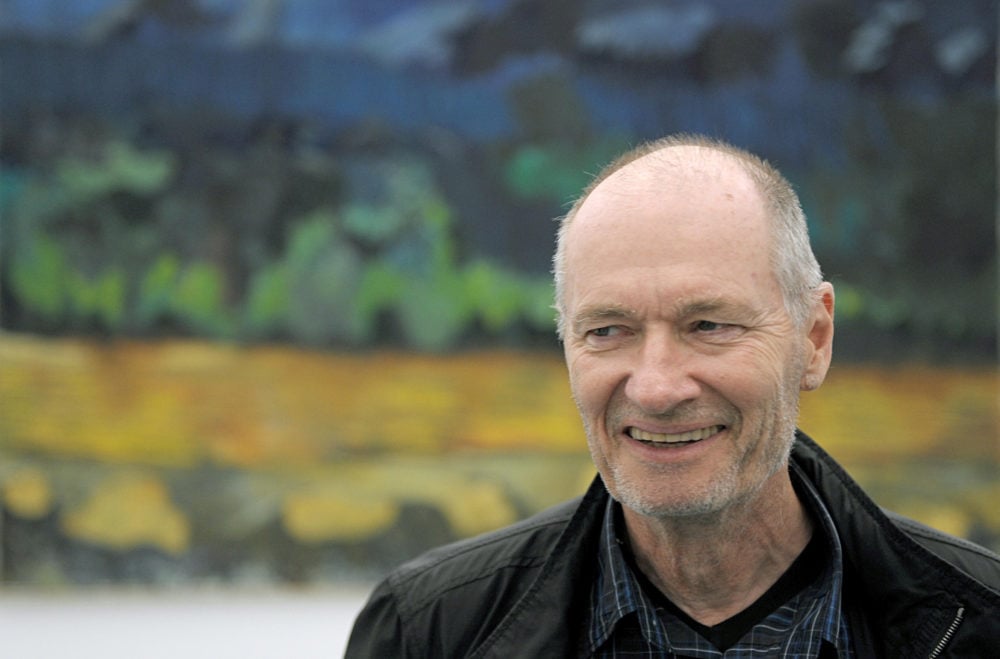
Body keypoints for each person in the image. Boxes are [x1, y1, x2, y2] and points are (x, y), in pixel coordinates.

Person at [345, 134, 1000, 657]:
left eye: (708, 325)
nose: (656, 387)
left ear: (814, 337)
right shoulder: (428, 632)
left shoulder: (981, 621)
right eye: (608, 330)